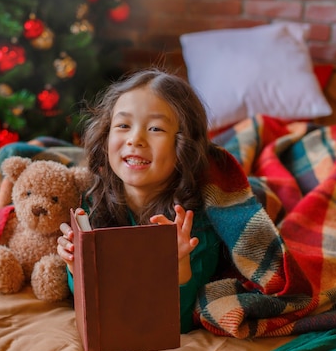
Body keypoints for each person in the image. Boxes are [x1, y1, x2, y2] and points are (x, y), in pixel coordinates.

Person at [57, 68, 226, 333]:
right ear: (105, 136)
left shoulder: (194, 225)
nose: (135, 139)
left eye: (156, 128)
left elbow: (177, 322)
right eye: (123, 125)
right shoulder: (92, 202)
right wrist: (75, 264)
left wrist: (179, 264)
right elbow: (90, 303)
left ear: (183, 146)